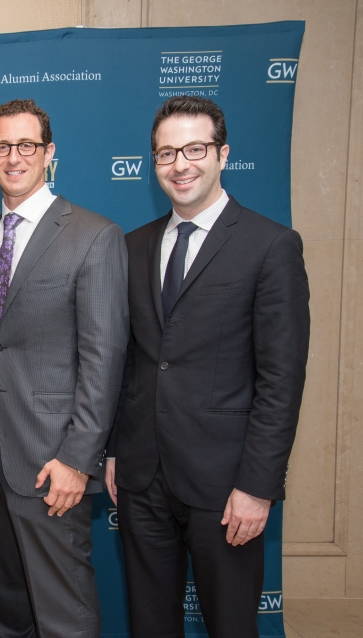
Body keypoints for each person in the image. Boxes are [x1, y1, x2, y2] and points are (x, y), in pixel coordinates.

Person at [105, 96, 310, 637]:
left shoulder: (271, 246)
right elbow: (126, 361)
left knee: (231, 626)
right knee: (150, 623)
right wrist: (112, 452)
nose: (180, 164)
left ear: (223, 154)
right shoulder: (133, 248)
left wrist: (258, 486)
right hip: (142, 475)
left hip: (227, 485)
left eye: (194, 149)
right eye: (166, 153)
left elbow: (281, 380)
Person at [0, 99, 129, 638]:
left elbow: (104, 357)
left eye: (26, 145)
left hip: (52, 462)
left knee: (64, 615)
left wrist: (79, 459)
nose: (15, 157)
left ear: (49, 153)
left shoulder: (94, 235)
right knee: (6, 613)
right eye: (2, 147)